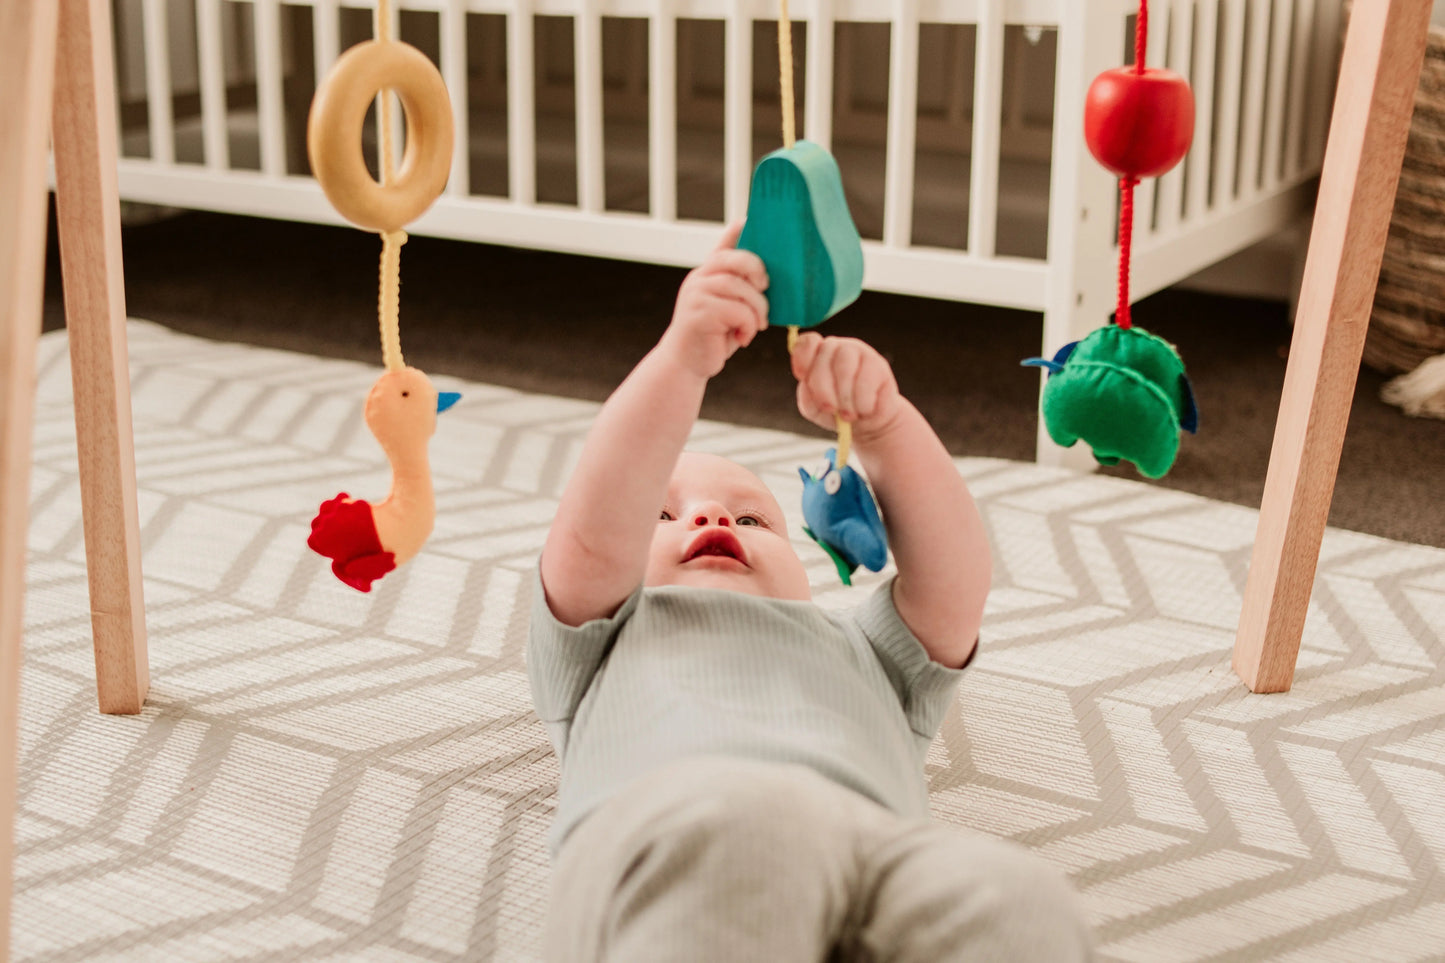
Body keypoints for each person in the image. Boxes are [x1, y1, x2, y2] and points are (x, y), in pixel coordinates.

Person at [527, 221, 1093, 961]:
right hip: (681, 831)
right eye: (660, 514)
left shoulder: (864, 650)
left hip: (879, 857)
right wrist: (681, 362)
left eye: (752, 515)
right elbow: (593, 531)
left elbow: (954, 581)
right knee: (755, 829)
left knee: (1017, 896)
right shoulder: (606, 634)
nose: (709, 515)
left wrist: (886, 424)